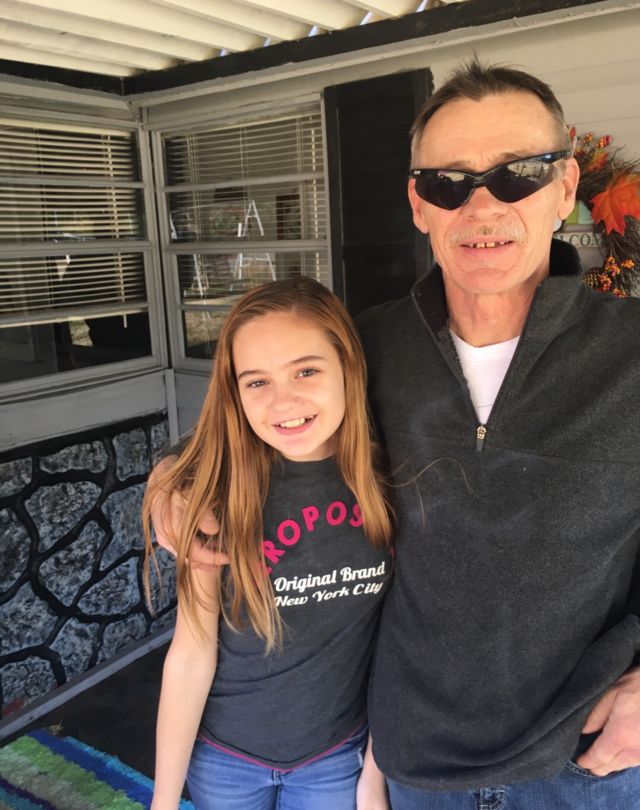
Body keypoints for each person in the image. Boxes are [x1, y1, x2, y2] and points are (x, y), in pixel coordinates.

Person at [151, 60, 640, 809]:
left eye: (517, 174)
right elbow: (260, 413)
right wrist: (172, 479)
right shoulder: (369, 347)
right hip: (414, 763)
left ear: (565, 186)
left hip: (585, 765)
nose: (482, 206)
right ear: (418, 203)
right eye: (449, 182)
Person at [143, 276, 393, 810]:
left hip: (336, 758)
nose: (284, 401)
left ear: (347, 366)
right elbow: (191, 652)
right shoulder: (215, 495)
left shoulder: (390, 479)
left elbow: (402, 640)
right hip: (226, 761)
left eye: (306, 370)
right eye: (257, 381)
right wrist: (163, 801)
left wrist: (374, 769)